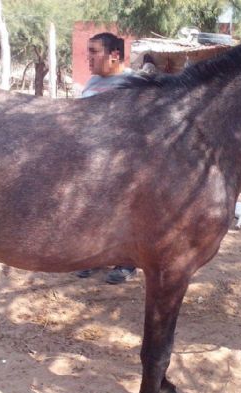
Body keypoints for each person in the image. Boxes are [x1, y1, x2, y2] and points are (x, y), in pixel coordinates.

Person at [74, 32, 138, 284]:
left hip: (123, 166)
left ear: (114, 55)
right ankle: (93, 257)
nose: (87, 57)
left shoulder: (135, 83)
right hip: (91, 164)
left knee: (126, 216)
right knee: (92, 214)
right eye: (87, 51)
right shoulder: (91, 83)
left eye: (93, 51)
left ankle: (127, 264)